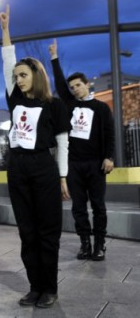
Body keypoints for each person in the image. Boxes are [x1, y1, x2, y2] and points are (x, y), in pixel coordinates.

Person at [0, 5, 71, 308]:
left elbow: (63, 143)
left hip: (43, 166)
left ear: (36, 75)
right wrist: (5, 32)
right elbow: (7, 63)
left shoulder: (53, 106)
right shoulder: (14, 98)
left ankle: (50, 288)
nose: (18, 78)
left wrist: (63, 176)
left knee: (47, 231)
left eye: (24, 74)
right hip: (17, 166)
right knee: (27, 231)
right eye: (17, 76)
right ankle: (34, 287)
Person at [49, 39, 115, 261]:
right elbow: (58, 84)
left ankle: (100, 244)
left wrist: (109, 157)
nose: (74, 89)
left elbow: (109, 133)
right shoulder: (69, 104)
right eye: (72, 86)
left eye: (78, 85)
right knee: (78, 207)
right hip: (74, 165)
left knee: (98, 206)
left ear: (87, 84)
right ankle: (85, 244)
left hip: (96, 164)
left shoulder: (101, 108)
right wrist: (54, 58)